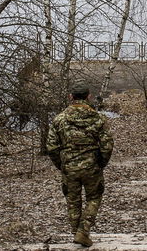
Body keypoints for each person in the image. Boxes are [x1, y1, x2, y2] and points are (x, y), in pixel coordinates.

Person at [46, 85, 113, 247]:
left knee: (72, 200)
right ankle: (83, 231)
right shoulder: (98, 118)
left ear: (71, 97)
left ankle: (77, 232)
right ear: (89, 97)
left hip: (69, 166)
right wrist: (101, 163)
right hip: (92, 166)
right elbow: (107, 145)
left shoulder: (59, 119)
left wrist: (61, 164)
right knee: (94, 197)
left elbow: (52, 147)